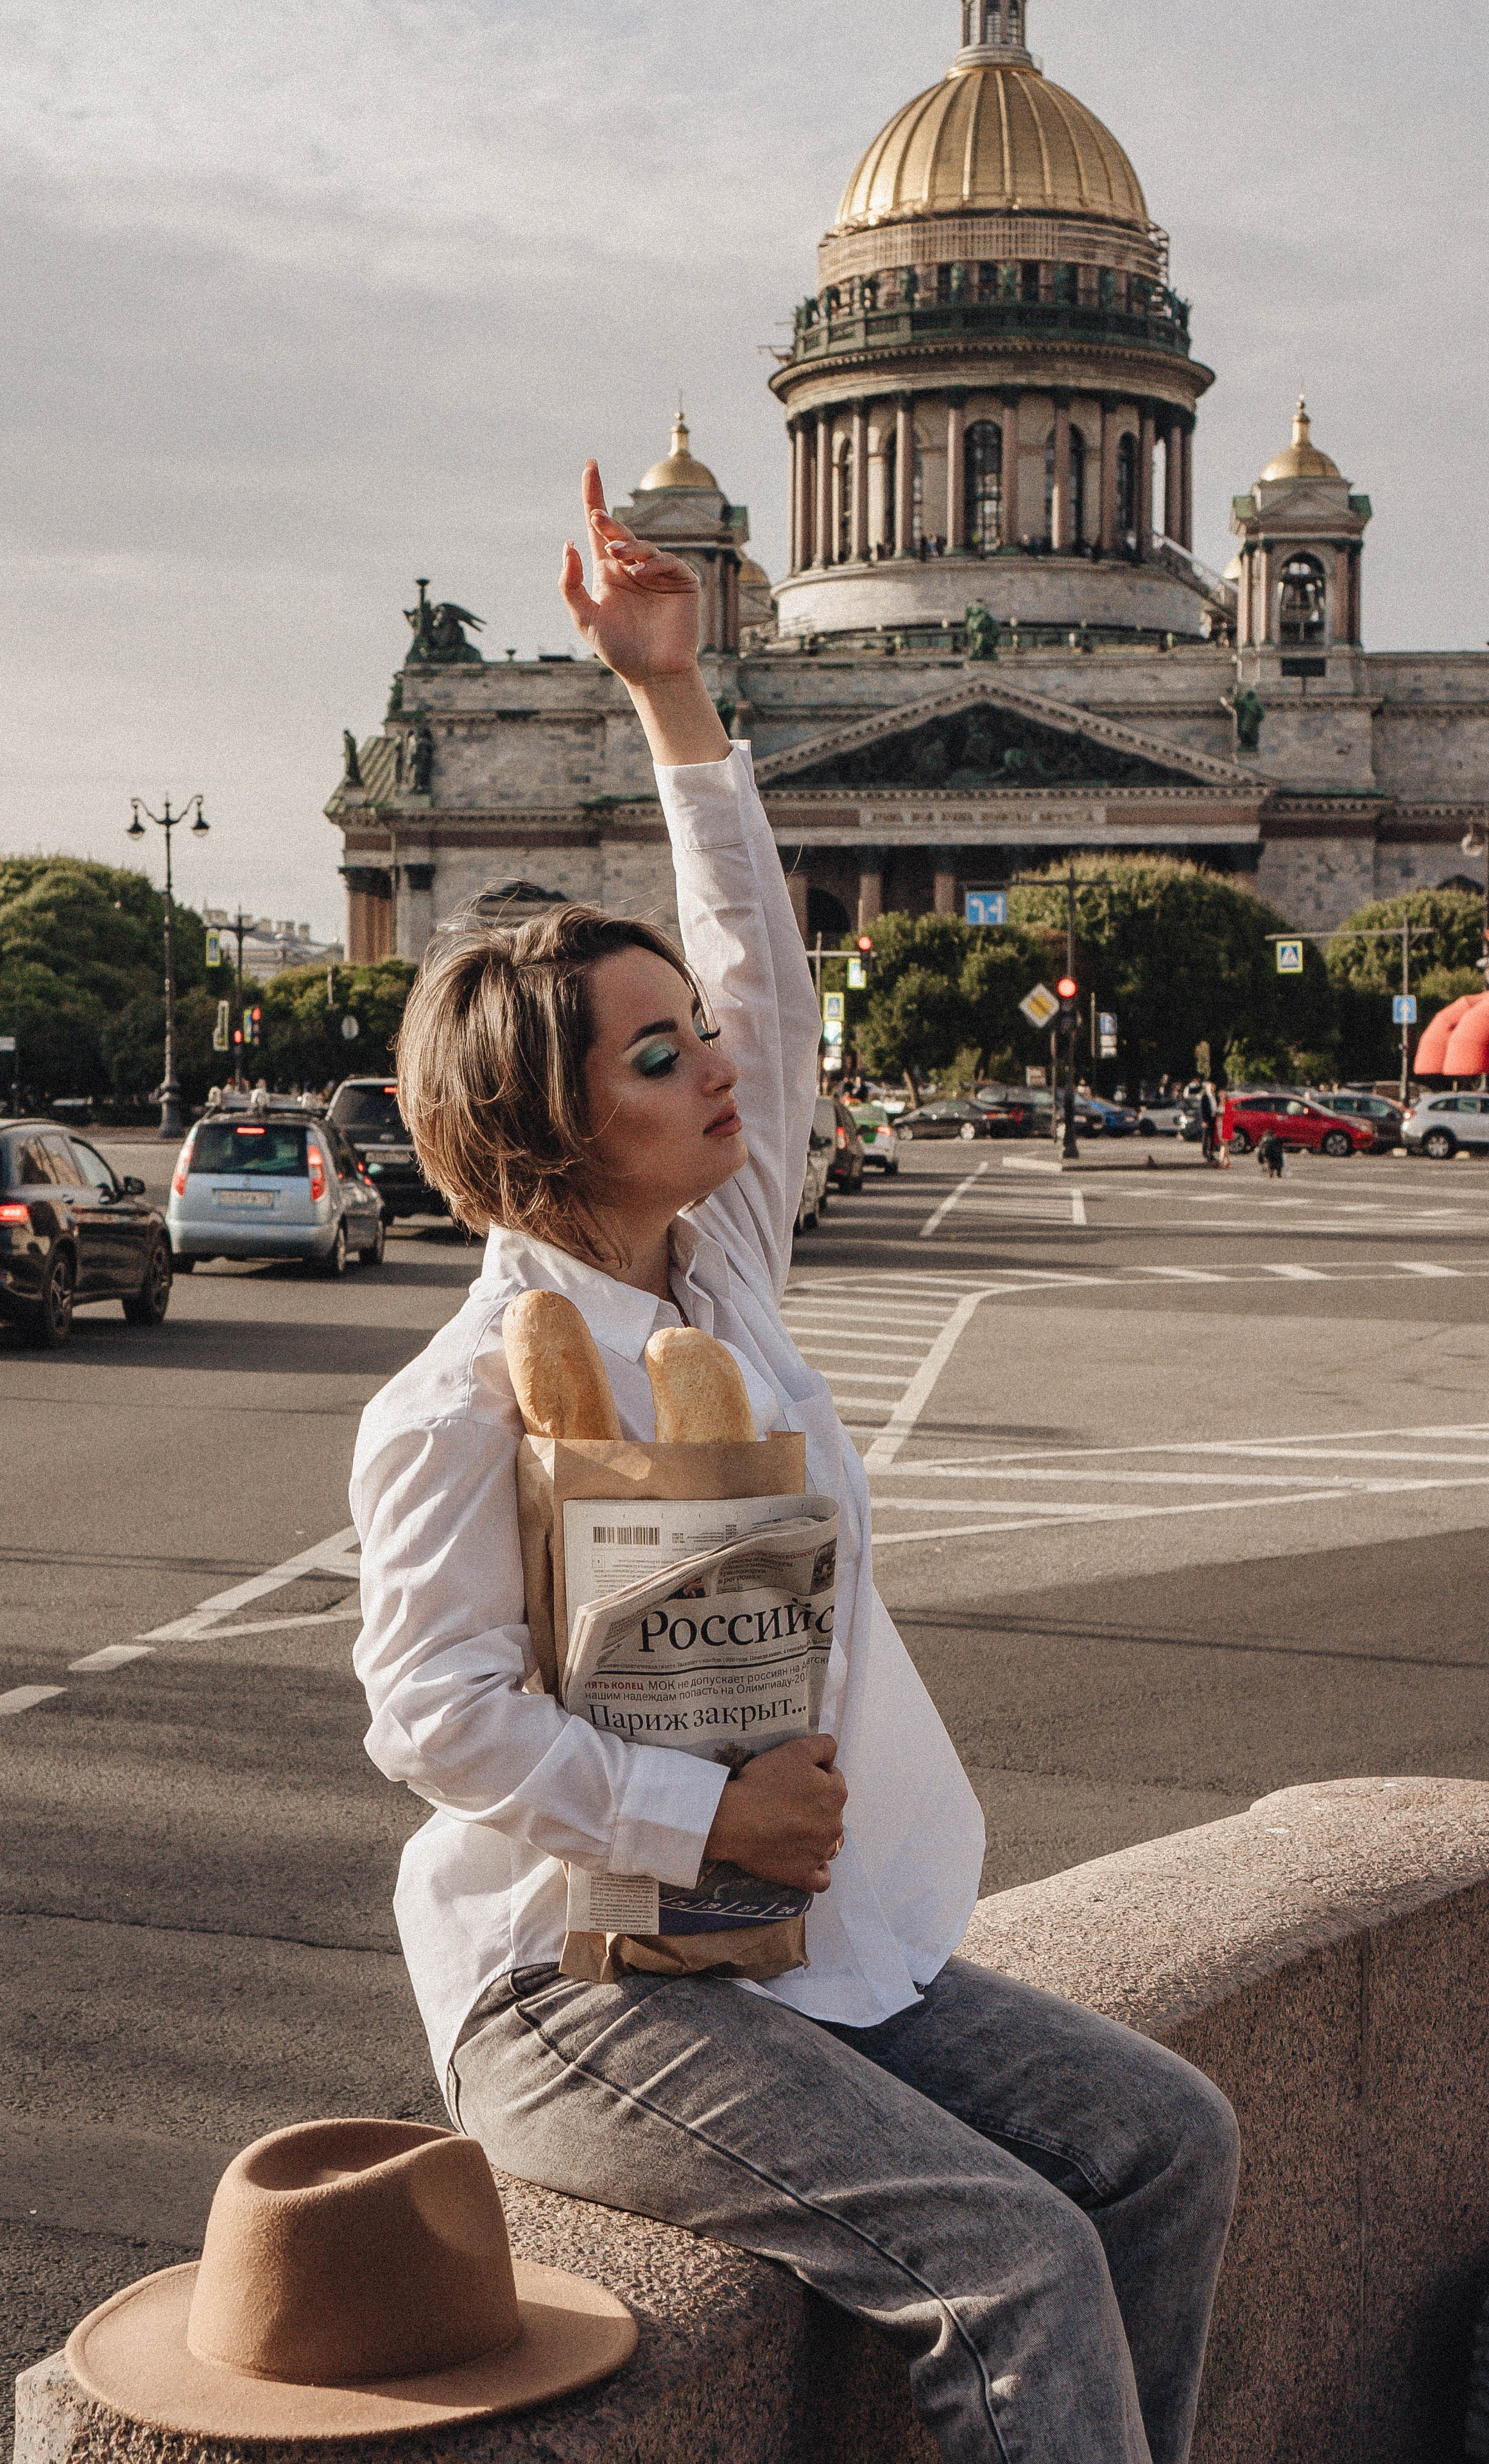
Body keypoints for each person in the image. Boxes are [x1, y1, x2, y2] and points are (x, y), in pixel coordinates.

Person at [350, 461, 1237, 2464]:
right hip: (580, 1980)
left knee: (1168, 2143)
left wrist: (676, 699)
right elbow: (433, 1717)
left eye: (699, 1032)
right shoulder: (459, 1398)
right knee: (1011, 2250)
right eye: (656, 1053)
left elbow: (760, 964)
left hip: (799, 1945)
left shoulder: (723, 1268)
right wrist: (698, 1817)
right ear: (549, 1120)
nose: (719, 1059)